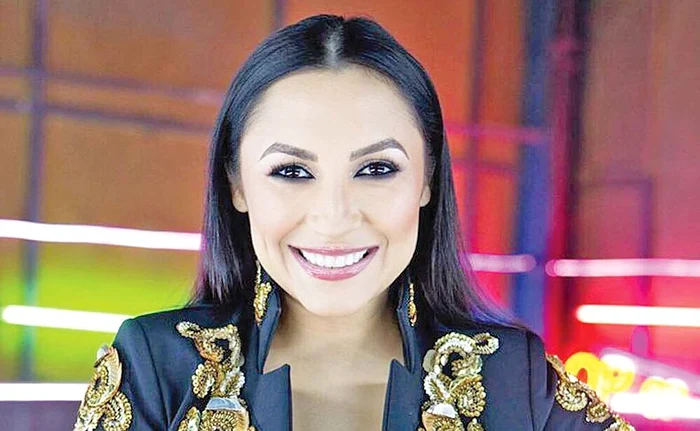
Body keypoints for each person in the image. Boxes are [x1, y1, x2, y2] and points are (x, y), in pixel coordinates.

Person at [73, 14, 634, 431]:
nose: (335, 217)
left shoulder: (515, 380)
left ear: (428, 180)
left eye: (377, 169)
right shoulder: (156, 369)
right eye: (292, 171)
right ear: (236, 185)